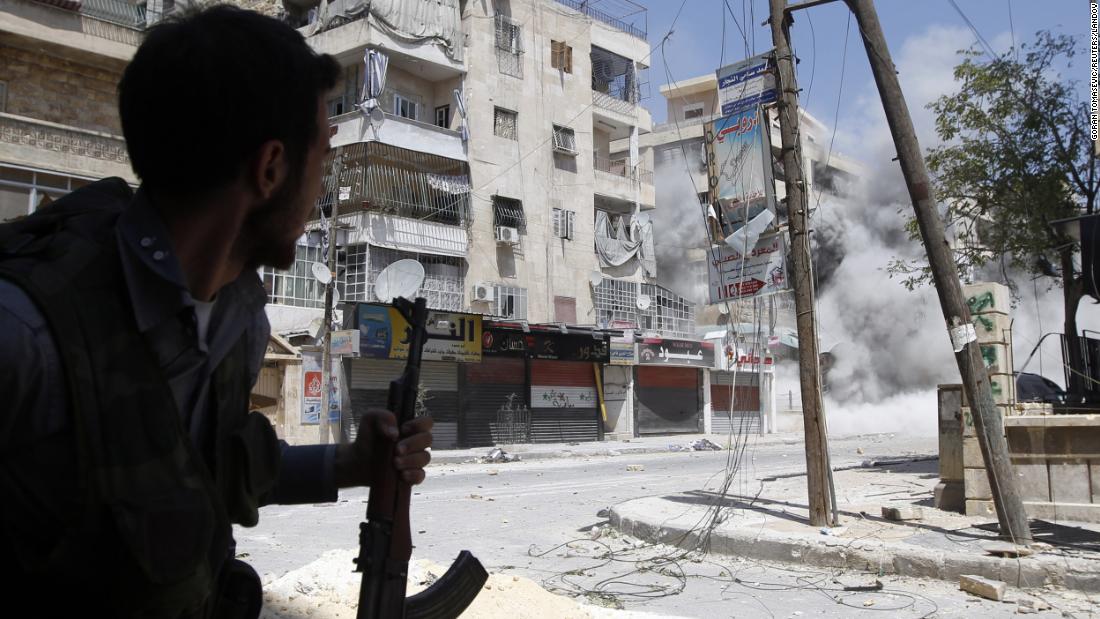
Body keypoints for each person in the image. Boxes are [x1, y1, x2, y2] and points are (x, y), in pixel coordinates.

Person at [0, 5, 433, 617]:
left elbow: (200, 466)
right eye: (324, 157)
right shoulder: (26, 336)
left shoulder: (237, 320)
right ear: (271, 168)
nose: (322, 188)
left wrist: (349, 465)